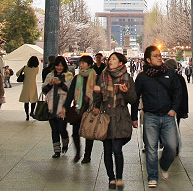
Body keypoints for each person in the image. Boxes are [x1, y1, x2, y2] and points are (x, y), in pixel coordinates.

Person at [135, 45, 182, 188]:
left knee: (172, 146)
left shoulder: (169, 73)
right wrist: (133, 117)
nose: (159, 57)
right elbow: (135, 97)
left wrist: (174, 109)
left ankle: (164, 164)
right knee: (151, 148)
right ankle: (153, 175)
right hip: (150, 116)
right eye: (155, 56)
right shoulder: (142, 77)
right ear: (148, 59)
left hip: (168, 115)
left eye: (159, 55)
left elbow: (178, 91)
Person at [92, 51, 137, 189]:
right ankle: (111, 178)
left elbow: (133, 99)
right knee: (107, 149)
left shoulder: (127, 78)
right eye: (110, 59)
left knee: (117, 149)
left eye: (114, 59)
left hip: (120, 115)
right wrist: (97, 92)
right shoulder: (103, 77)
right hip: (106, 116)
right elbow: (97, 100)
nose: (110, 61)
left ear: (121, 62)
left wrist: (125, 91)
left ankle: (119, 177)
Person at [62, 55, 97, 163]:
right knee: (75, 133)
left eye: (83, 63)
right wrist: (65, 107)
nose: (80, 65)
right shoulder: (77, 78)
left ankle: (87, 155)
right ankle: (78, 152)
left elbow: (100, 94)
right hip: (78, 109)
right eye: (80, 63)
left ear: (90, 65)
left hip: (90, 109)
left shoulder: (96, 77)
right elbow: (71, 93)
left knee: (89, 134)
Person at [42, 56, 74, 158]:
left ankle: (65, 141)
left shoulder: (68, 76)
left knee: (61, 129)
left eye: (61, 66)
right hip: (51, 107)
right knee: (54, 130)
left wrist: (61, 84)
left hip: (62, 107)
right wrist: (50, 85)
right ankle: (57, 151)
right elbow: (44, 90)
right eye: (57, 65)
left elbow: (70, 91)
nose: (59, 68)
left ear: (64, 66)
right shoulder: (50, 75)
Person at [164, 59, 189, 133]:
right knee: (175, 127)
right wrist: (185, 110)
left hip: (168, 107)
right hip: (178, 108)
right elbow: (184, 95)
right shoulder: (180, 78)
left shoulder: (165, 77)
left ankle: (164, 141)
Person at [17, 55, 40, 121]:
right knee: (33, 100)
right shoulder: (37, 68)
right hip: (33, 85)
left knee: (26, 101)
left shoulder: (25, 67)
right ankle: (32, 112)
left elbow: (17, 73)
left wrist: (24, 75)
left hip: (26, 85)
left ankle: (27, 114)